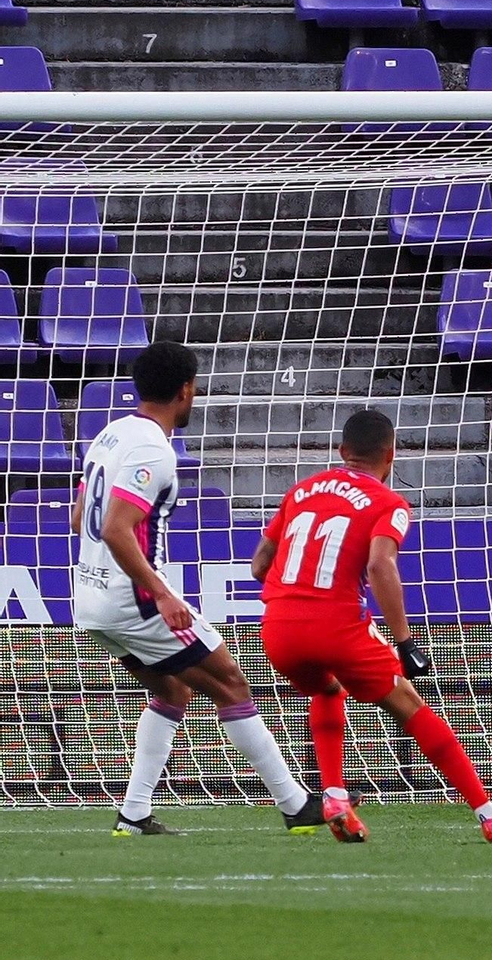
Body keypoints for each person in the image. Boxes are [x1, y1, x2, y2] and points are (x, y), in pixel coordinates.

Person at [73, 340, 321, 836]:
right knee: (230, 679)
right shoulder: (154, 451)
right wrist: (162, 594)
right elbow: (117, 528)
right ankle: (296, 805)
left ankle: (135, 814)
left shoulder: (111, 434)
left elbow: (82, 514)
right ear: (187, 390)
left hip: (91, 598)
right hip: (135, 601)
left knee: (172, 688)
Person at [250, 409, 492, 843]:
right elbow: (381, 563)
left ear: (342, 452)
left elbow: (259, 565)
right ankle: (490, 813)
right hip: (336, 625)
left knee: (326, 689)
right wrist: (404, 641)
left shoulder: (301, 490)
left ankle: (334, 796)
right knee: (409, 704)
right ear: (391, 454)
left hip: (278, 629)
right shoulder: (390, 504)